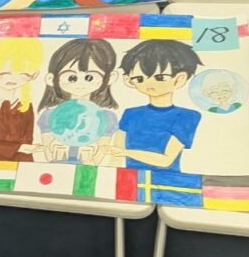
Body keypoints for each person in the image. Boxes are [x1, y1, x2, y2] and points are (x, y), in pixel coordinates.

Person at [110, 39, 203, 172]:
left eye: (160, 78)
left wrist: (125, 152)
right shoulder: (131, 113)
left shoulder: (187, 116)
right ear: (129, 80)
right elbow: (115, 155)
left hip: (166, 179)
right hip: (129, 177)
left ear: (179, 79)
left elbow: (165, 160)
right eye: (140, 79)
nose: (149, 83)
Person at [36, 38, 119, 164]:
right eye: (72, 77)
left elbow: (97, 160)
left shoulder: (106, 118)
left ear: (110, 78)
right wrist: (55, 146)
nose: (80, 84)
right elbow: (49, 156)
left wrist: (91, 152)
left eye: (89, 77)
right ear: (51, 79)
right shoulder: (50, 116)